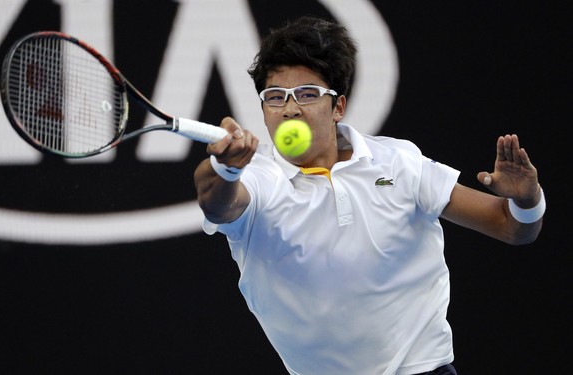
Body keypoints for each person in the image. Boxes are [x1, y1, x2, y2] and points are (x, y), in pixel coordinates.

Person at [193, 16, 544, 375]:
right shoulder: (258, 177)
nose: (290, 108)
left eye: (308, 94)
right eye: (275, 97)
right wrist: (227, 169)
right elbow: (219, 204)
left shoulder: (399, 163)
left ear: (339, 107)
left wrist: (526, 200)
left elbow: (513, 228)